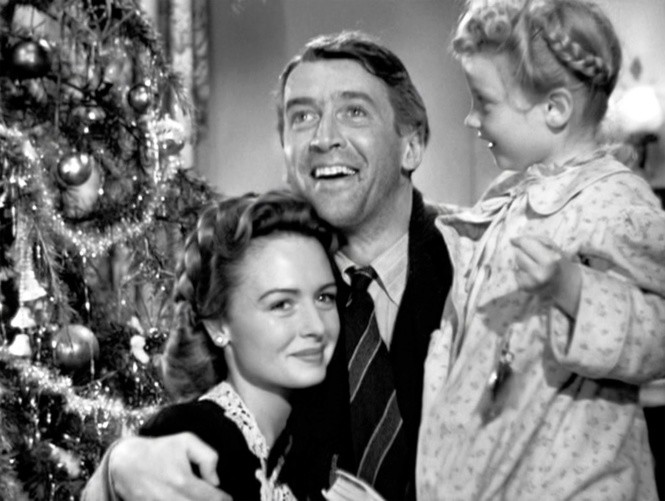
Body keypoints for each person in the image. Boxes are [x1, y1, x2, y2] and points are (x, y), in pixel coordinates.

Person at [82, 31, 452, 501]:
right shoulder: (264, 271)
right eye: (303, 117)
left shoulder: (481, 266)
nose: (323, 138)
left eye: (354, 111)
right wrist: (116, 468)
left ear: (411, 145)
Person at [416, 1, 665, 499]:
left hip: (576, 481)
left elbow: (658, 335)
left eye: (484, 102)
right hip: (493, 467)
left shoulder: (617, 201)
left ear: (555, 109)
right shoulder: (510, 192)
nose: (470, 118)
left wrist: (575, 290)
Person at [129, 190, 340, 500]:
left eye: (325, 297)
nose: (317, 327)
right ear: (218, 324)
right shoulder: (182, 438)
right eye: (282, 304)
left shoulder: (324, 442)